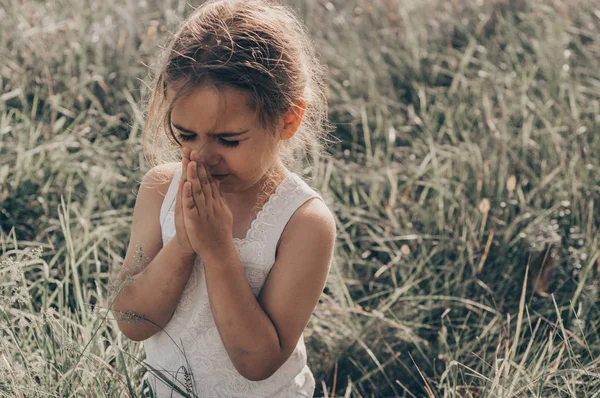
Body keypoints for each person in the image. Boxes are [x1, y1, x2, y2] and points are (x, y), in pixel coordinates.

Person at [110, 0, 336, 396]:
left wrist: (217, 253)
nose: (201, 156)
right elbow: (131, 320)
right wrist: (182, 245)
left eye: (228, 140)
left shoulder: (303, 222)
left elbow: (258, 362)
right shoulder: (160, 190)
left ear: (288, 119)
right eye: (186, 135)